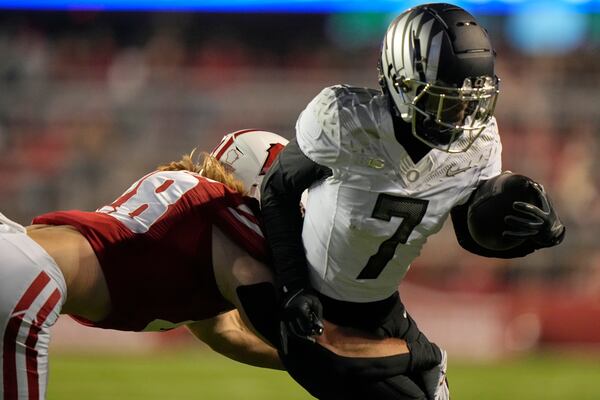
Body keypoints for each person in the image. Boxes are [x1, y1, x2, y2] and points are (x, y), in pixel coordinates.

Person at [259, 3, 566, 399]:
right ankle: (426, 357)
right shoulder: (345, 121)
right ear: (402, 84)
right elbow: (277, 191)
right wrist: (293, 288)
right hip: (320, 310)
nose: (462, 117)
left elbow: (472, 235)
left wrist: (530, 235)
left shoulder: (478, 143)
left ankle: (425, 357)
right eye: (445, 100)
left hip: (385, 310)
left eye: (471, 101)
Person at [0, 131, 290, 399]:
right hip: (28, 274)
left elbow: (226, 331)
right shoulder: (223, 210)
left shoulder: (197, 216)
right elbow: (266, 310)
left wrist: (296, 365)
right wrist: (327, 362)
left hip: (15, 250)